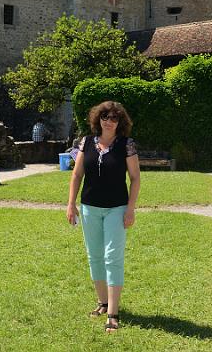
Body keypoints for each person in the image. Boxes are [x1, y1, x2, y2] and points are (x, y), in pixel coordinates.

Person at [66, 101, 141, 334]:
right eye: (105, 117)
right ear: (98, 119)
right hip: (89, 208)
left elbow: (135, 178)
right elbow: (77, 174)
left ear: (120, 122)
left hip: (116, 208)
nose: (109, 121)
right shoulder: (86, 142)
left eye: (114, 118)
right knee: (95, 256)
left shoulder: (126, 145)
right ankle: (103, 303)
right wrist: (70, 203)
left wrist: (130, 208)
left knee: (112, 257)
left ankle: (113, 313)